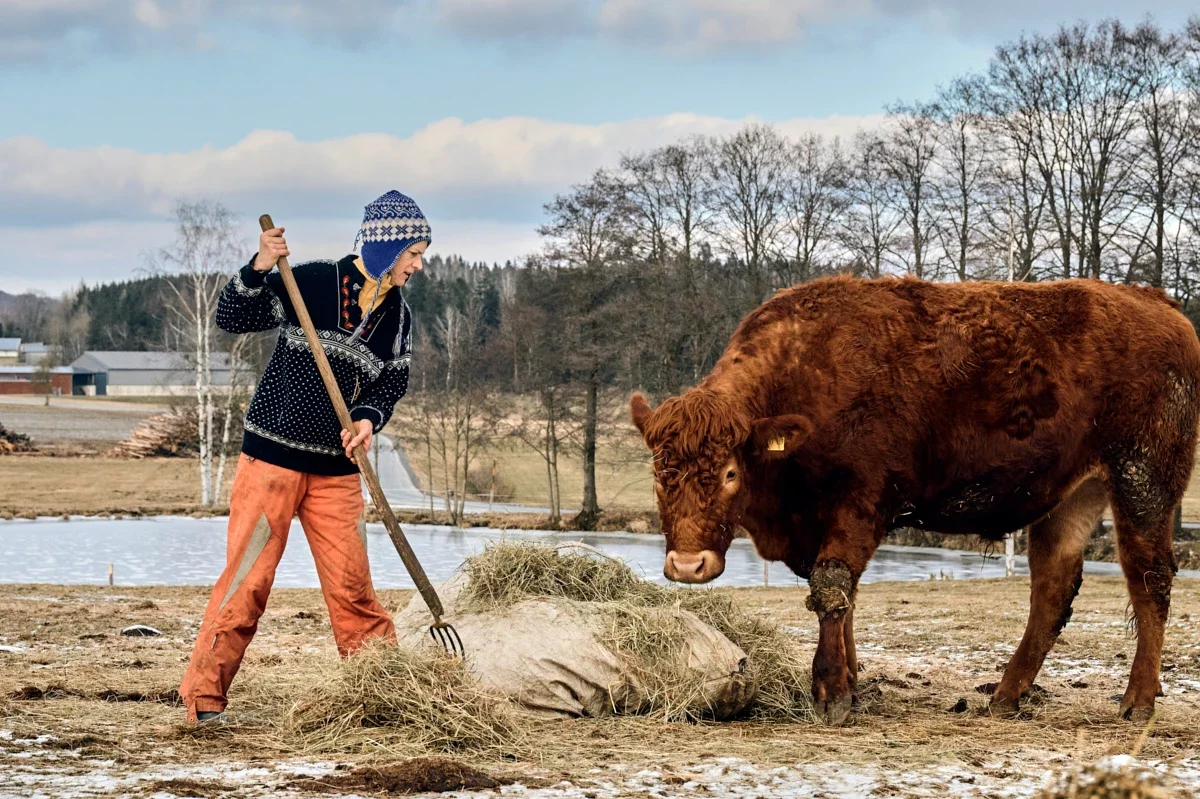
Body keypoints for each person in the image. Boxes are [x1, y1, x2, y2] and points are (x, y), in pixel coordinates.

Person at [179, 190, 429, 723]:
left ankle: (383, 700)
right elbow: (232, 316)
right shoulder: (310, 281)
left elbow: (391, 385)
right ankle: (204, 699)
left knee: (353, 589)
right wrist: (259, 266)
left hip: (338, 473)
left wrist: (365, 418)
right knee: (248, 583)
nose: (419, 264)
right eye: (414, 253)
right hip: (272, 460)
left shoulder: (399, 319)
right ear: (388, 248)